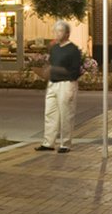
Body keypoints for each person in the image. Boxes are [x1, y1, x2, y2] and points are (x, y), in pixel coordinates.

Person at [35, 20, 83, 153]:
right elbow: (51, 64)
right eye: (55, 31)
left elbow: (75, 72)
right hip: (53, 83)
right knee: (50, 113)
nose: (57, 33)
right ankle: (48, 142)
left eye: (60, 31)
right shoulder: (55, 48)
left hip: (66, 84)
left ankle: (65, 144)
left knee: (66, 113)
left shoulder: (73, 50)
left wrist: (55, 70)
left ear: (67, 33)